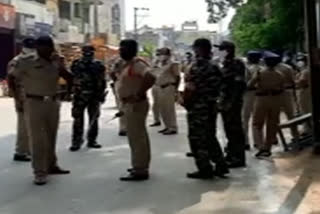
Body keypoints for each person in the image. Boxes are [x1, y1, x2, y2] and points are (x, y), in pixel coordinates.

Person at [8, 36, 72, 185]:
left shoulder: (56, 60)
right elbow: (11, 78)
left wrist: (69, 91)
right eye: (44, 48)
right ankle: (39, 172)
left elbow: (68, 76)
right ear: (37, 48)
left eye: (50, 47)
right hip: (34, 102)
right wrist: (17, 98)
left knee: (51, 135)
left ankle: (51, 165)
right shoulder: (26, 61)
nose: (48, 50)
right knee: (37, 139)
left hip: (53, 102)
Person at [183, 38, 229, 179]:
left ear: (198, 49)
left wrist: (186, 100)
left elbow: (190, 87)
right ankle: (221, 165)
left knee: (197, 138)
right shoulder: (215, 66)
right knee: (210, 136)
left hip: (198, 106)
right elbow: (222, 85)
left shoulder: (197, 66)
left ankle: (205, 168)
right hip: (210, 105)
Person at [116, 39, 156, 181]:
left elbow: (150, 77)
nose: (120, 51)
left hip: (135, 105)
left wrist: (139, 94)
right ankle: (140, 164)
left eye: (123, 48)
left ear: (132, 50)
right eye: (120, 48)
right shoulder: (126, 65)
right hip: (129, 105)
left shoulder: (137, 64)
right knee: (136, 136)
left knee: (137, 137)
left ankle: (140, 169)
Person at [215, 41, 247, 168]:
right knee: (229, 130)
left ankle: (238, 158)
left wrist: (231, 102)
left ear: (227, 50)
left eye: (221, 49)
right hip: (225, 101)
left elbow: (239, 85)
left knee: (235, 130)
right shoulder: (226, 64)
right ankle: (231, 154)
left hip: (232, 102)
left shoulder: (236, 63)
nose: (219, 51)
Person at [70, 45, 107, 152]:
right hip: (79, 95)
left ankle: (91, 140)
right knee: (78, 119)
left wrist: (101, 95)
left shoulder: (98, 65)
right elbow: (73, 79)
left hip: (94, 96)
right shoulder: (76, 64)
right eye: (86, 52)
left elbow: (102, 81)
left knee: (93, 119)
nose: (87, 54)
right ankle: (77, 141)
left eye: (89, 52)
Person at [249, 52, 285, 157]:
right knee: (272, 124)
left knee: (257, 124)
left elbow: (250, 84)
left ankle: (260, 147)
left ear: (265, 62)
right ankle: (268, 147)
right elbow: (282, 88)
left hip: (261, 99)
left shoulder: (260, 73)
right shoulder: (279, 74)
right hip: (275, 100)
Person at [7, 37, 36, 162]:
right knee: (24, 125)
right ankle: (20, 152)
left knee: (31, 125)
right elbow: (11, 80)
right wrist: (17, 99)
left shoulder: (32, 60)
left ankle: (28, 150)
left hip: (32, 96)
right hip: (22, 97)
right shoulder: (17, 61)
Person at [156, 48, 180, 135]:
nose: (161, 55)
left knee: (169, 108)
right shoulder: (160, 64)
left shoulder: (173, 64)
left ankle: (173, 127)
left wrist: (176, 90)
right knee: (163, 108)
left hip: (169, 87)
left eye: (163, 53)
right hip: (160, 88)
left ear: (168, 55)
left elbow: (177, 77)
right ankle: (166, 126)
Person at [242, 51, 263, 150]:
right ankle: (258, 142)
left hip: (249, 94)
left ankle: (245, 142)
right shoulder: (262, 68)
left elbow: (245, 83)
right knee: (258, 119)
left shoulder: (247, 68)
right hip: (259, 95)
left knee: (245, 118)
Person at [277, 59, 300, 141]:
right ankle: (295, 135)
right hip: (288, 91)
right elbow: (293, 81)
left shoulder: (269, 68)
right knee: (291, 115)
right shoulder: (287, 67)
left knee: (274, 116)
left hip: (276, 94)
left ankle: (275, 138)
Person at [110, 57, 127, 136]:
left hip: (119, 83)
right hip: (125, 84)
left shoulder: (117, 61)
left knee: (121, 106)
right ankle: (125, 128)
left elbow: (112, 73)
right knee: (125, 107)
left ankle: (123, 128)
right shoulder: (132, 61)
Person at [296, 53, 312, 134]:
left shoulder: (305, 71)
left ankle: (307, 129)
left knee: (305, 111)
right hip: (310, 91)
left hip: (305, 92)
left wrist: (296, 82)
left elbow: (302, 82)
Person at [150, 49, 162, 127]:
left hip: (163, 86)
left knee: (164, 105)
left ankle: (169, 124)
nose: (158, 56)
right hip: (155, 85)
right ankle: (156, 120)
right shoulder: (153, 62)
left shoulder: (167, 63)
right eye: (157, 54)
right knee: (155, 105)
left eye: (159, 54)